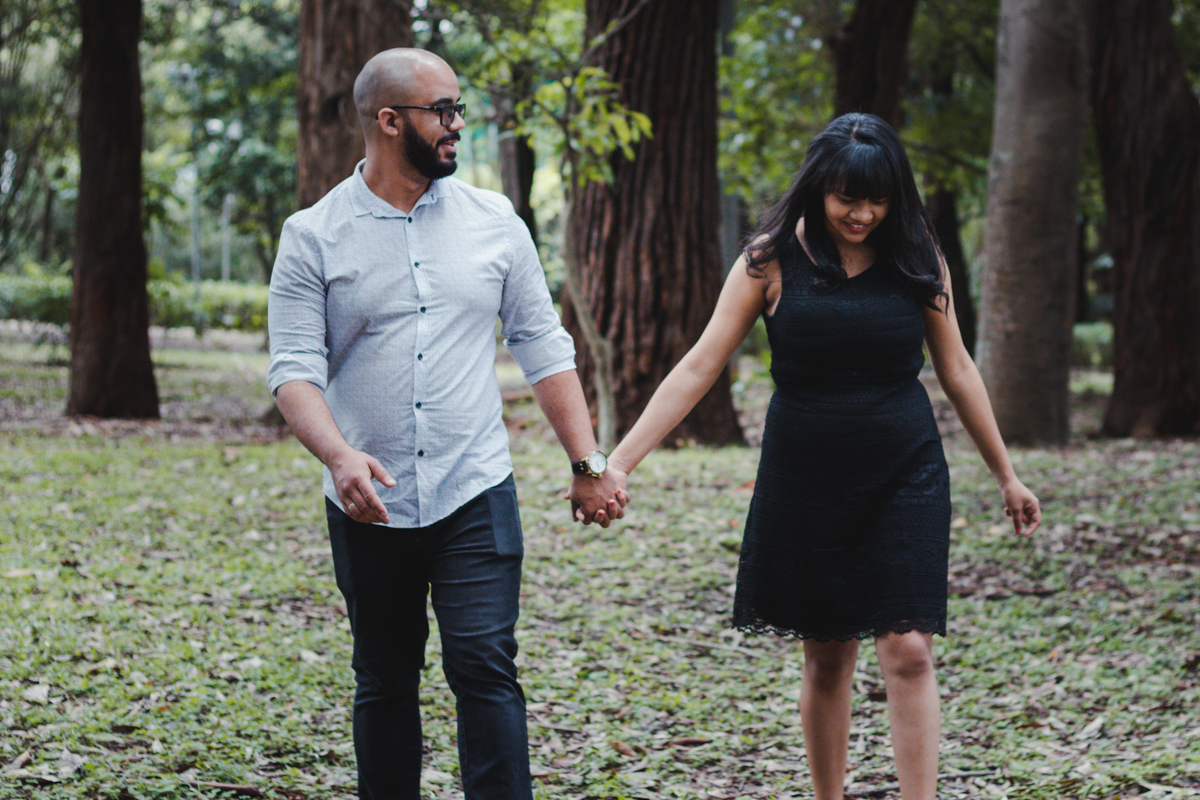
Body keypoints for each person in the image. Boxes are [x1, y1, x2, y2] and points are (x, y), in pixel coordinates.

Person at [605, 113, 1041, 800]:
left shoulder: (917, 253)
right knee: (829, 657)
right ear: (819, 187)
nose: (862, 213)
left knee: (909, 649)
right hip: (805, 476)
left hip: (905, 470)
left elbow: (956, 368)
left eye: (876, 199)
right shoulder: (770, 258)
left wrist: (1007, 475)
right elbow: (699, 366)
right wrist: (621, 462)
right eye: (846, 198)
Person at [267, 48, 627, 800]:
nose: (457, 125)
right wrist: (339, 458)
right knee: (385, 679)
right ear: (389, 121)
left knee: (486, 667)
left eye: (459, 108)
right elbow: (293, 370)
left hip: (475, 490)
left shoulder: (495, 221)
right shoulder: (313, 235)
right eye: (444, 111)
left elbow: (542, 346)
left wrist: (587, 463)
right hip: (370, 496)